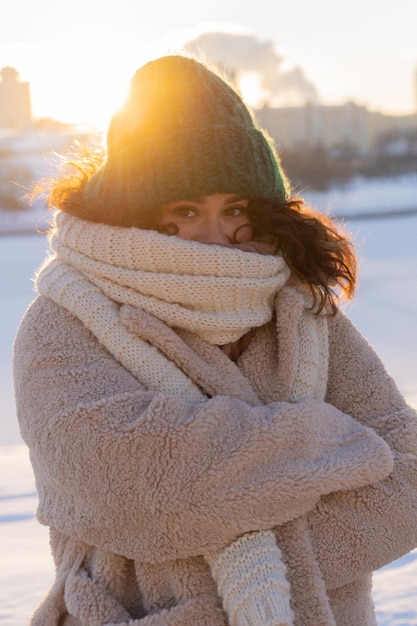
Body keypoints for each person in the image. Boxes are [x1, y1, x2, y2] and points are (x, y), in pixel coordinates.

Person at [13, 54, 417, 626]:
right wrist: (327, 436)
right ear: (137, 212)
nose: (218, 236)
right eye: (185, 209)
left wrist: (246, 589)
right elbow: (138, 486)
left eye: (235, 208)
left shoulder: (300, 308)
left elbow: (410, 475)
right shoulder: (66, 320)